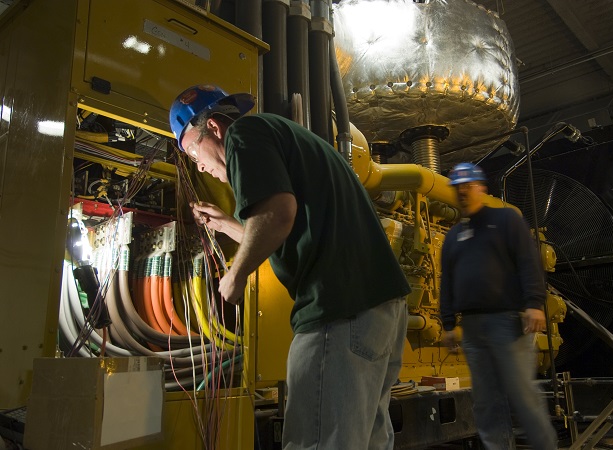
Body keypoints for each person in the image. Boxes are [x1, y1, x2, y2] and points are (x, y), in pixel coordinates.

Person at [169, 84, 410, 450]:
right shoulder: (282, 135)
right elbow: (281, 225)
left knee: (318, 441)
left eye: (192, 151)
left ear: (215, 129)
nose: (197, 165)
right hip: (379, 311)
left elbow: (278, 215)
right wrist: (225, 224)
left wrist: (234, 277)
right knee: (365, 440)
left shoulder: (244, 136)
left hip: (337, 309)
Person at [439, 162, 557, 450]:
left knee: (523, 396)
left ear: (482, 188)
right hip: (473, 329)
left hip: (507, 323)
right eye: (458, 187)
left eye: (468, 186)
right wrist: (448, 324)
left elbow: (529, 263)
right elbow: (447, 282)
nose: (463, 192)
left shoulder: (506, 220)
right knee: (486, 403)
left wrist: (534, 303)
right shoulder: (453, 237)